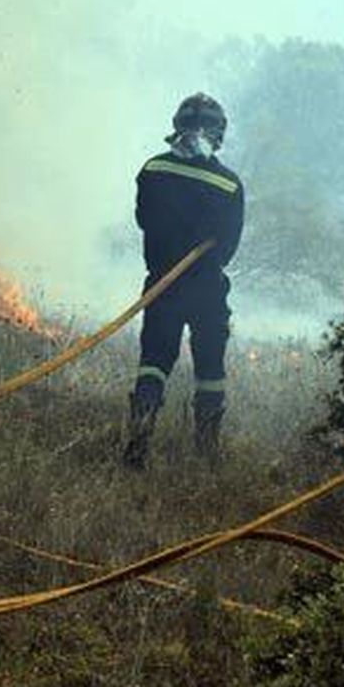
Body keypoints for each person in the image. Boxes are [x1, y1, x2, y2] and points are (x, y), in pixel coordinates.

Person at [123, 93, 245, 470]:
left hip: (161, 283)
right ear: (218, 134)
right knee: (210, 368)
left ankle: (139, 439)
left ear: (177, 127)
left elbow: (145, 220)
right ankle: (206, 450)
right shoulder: (228, 185)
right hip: (207, 288)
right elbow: (228, 247)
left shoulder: (152, 169)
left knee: (154, 361)